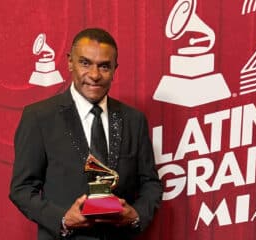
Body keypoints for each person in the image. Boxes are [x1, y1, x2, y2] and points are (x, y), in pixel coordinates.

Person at [9, 28, 163, 240]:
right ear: (70, 62)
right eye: (85, 63)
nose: (94, 75)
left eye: (104, 66)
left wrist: (136, 216)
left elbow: (150, 183)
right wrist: (63, 219)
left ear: (115, 69)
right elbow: (22, 188)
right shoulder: (39, 117)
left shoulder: (134, 120)